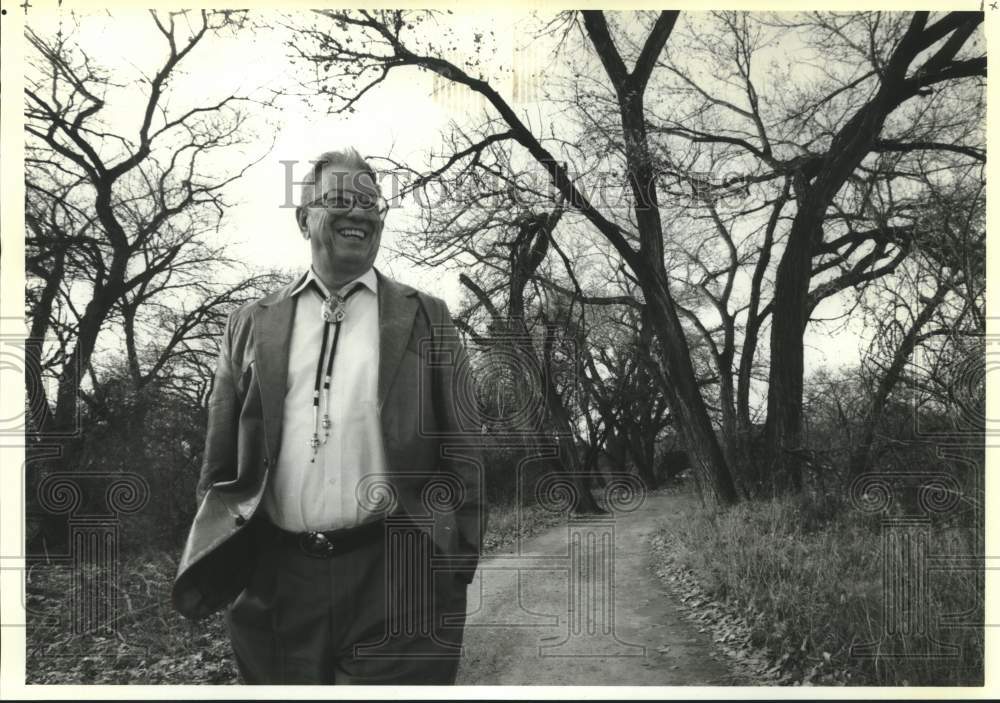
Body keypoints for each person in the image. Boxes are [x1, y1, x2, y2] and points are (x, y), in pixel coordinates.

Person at [171, 147, 486, 684]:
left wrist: (454, 562)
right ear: (303, 218)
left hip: (402, 576)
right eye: (340, 200)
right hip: (276, 583)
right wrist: (227, 561)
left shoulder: (427, 315)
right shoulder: (249, 323)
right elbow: (219, 460)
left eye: (371, 204)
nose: (360, 213)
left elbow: (464, 447)